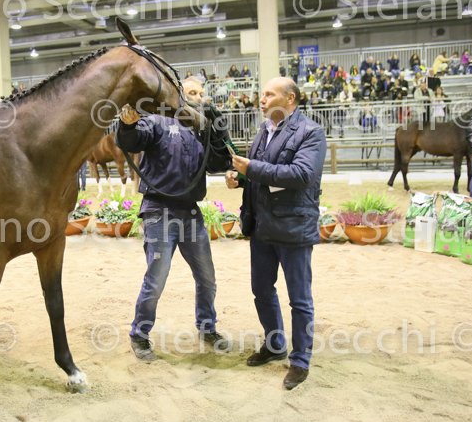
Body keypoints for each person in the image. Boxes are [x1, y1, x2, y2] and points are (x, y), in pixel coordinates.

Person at [116, 77, 228, 361]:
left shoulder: (201, 129)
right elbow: (132, 140)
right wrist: (127, 125)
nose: (198, 97)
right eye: (192, 92)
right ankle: (139, 334)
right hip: (159, 211)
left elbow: (219, 162)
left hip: (191, 212)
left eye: (201, 93)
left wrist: (217, 130)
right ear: (180, 95)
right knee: (156, 278)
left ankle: (207, 327)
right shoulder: (157, 120)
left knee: (207, 277)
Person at [225, 77, 326, 391]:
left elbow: (302, 175)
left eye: (269, 94)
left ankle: (300, 361)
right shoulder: (263, 131)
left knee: (300, 299)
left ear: (290, 98)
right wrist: (240, 179)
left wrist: (251, 169)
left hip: (294, 227)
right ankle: (275, 344)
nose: (262, 99)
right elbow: (261, 173)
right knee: (261, 290)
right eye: (262, 94)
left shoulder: (310, 132)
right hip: (262, 226)